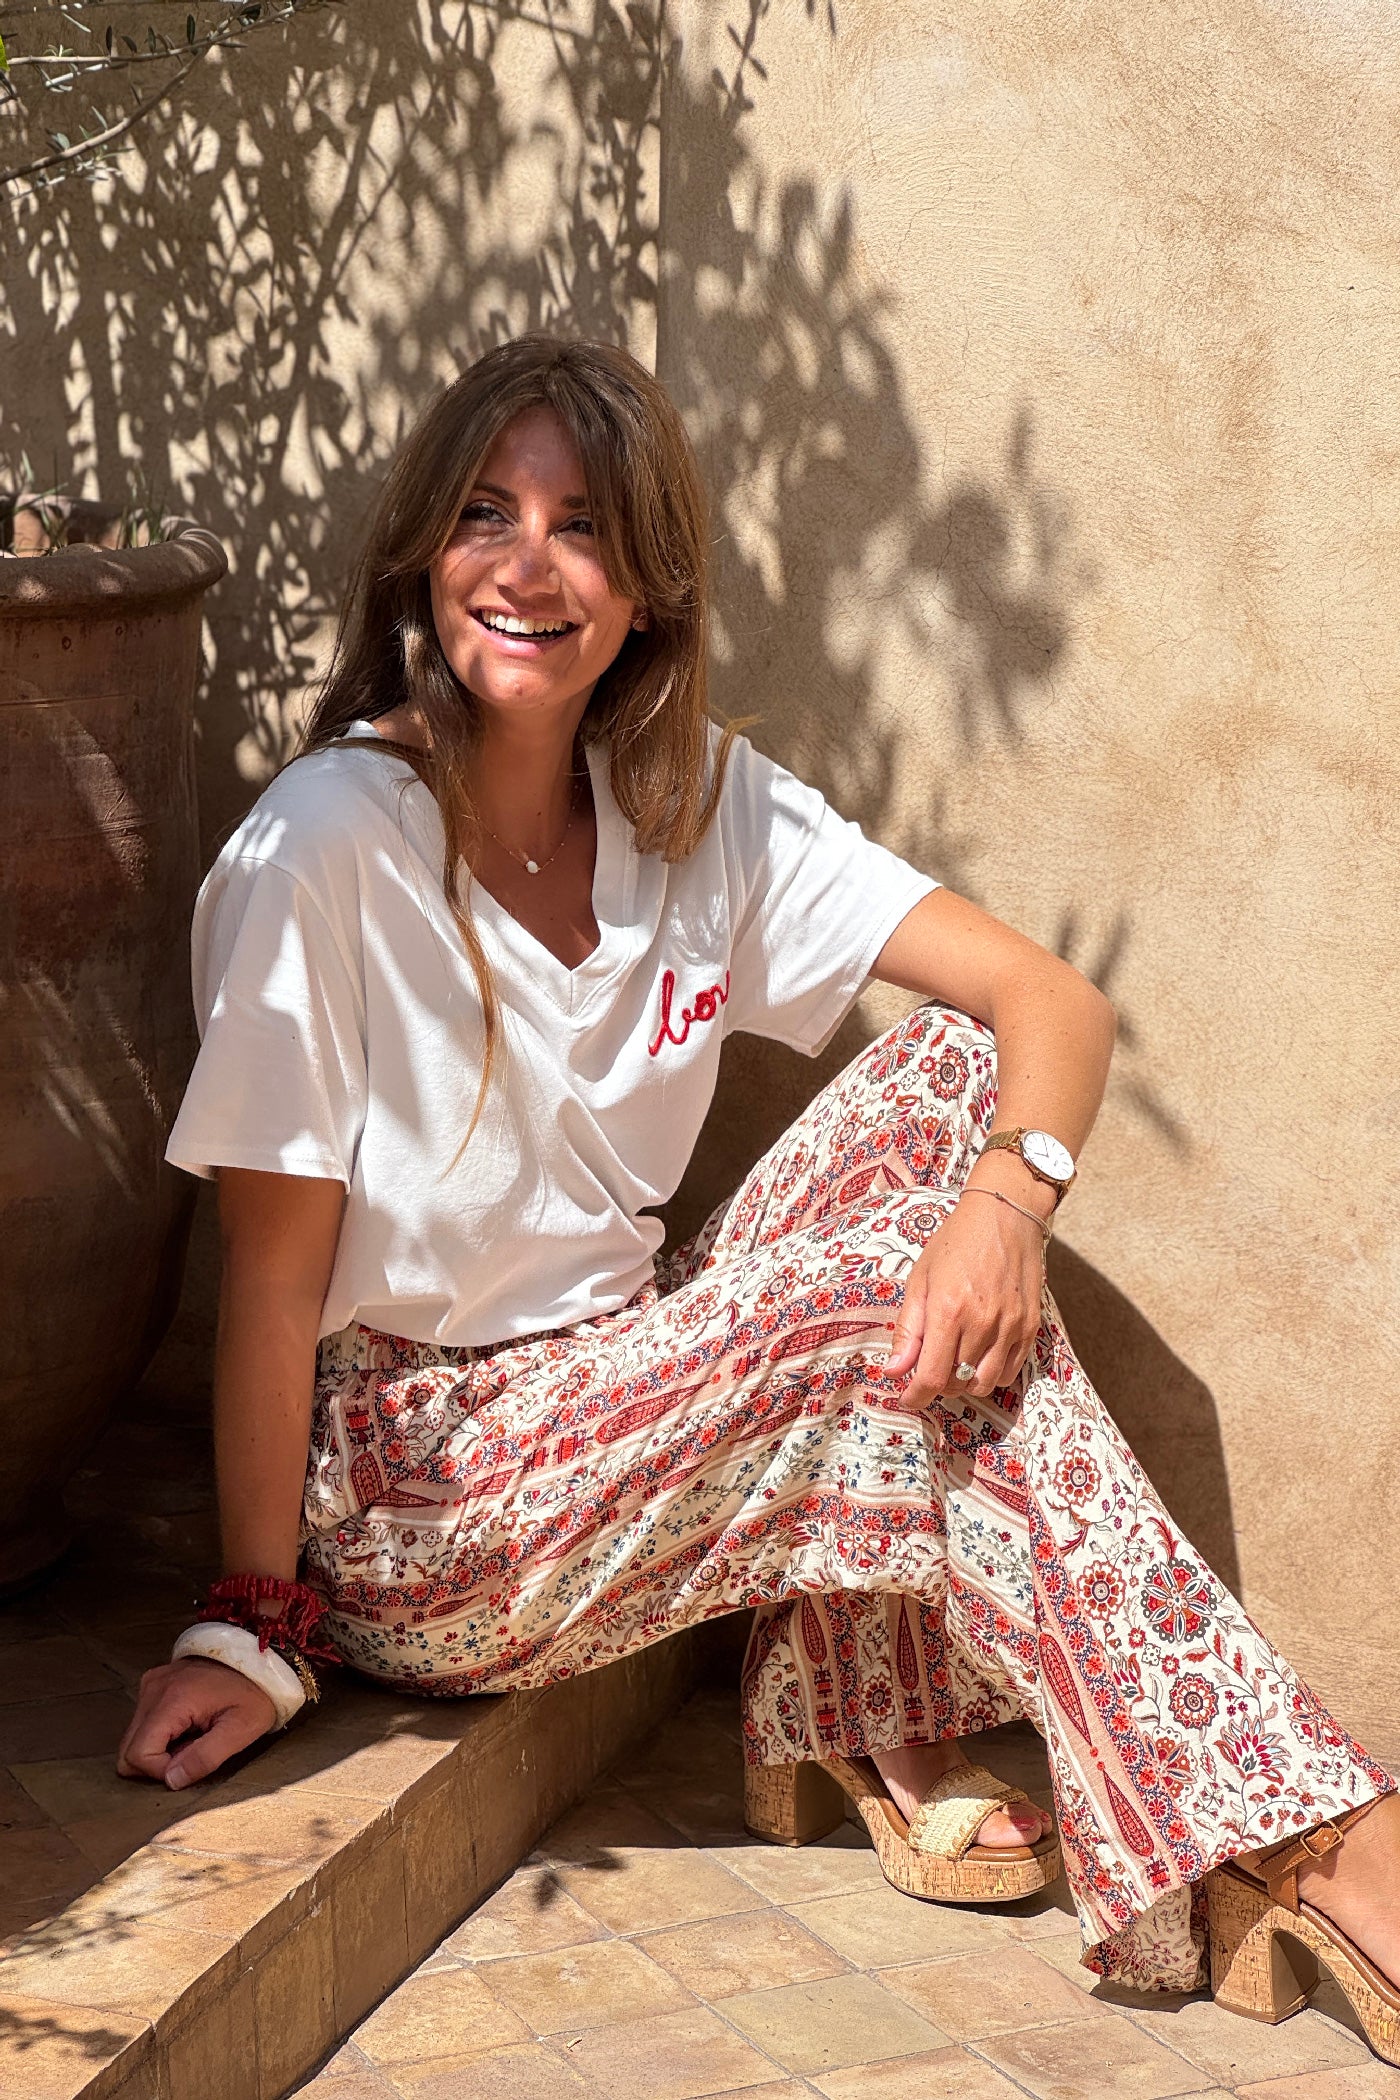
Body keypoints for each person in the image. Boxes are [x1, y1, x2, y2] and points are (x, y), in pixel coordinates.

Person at [117, 335, 1400, 2042]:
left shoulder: (691, 800)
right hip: (417, 1495)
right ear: (428, 553)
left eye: (581, 529)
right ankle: (1319, 1834)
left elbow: (1052, 1005)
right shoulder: (323, 849)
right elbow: (274, 1282)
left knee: (962, 1081)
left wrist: (1009, 1204)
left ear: (644, 588)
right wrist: (254, 1621)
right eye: (487, 514)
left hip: (619, 1385)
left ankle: (859, 1697)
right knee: (881, 1284)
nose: (525, 565)